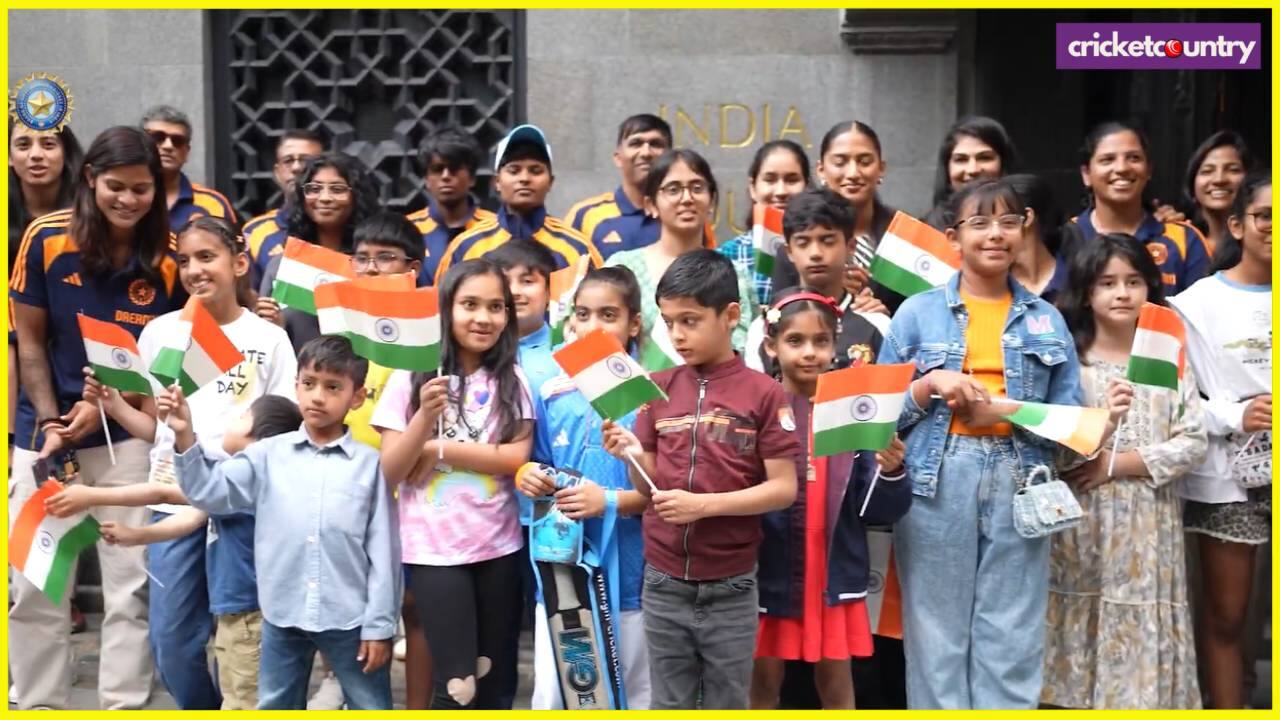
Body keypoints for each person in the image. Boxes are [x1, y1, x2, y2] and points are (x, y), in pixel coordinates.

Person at [876, 179, 1102, 709]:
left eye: (1007, 222)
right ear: (954, 238)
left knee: (1013, 634)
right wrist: (931, 385)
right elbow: (877, 411)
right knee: (936, 635)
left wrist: (1097, 421)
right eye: (979, 223)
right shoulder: (916, 313)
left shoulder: (1048, 319)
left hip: (1022, 481)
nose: (994, 234)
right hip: (937, 479)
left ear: (1025, 228)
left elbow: (1067, 421)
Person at [75, 215, 296, 709]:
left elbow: (282, 430)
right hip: (171, 495)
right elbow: (158, 430)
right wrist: (113, 405)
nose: (195, 269)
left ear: (239, 263)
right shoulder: (159, 333)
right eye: (185, 260)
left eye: (207, 257)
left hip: (242, 508)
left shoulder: (270, 339)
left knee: (241, 635)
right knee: (171, 642)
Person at [8, 125, 183, 710]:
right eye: (116, 187)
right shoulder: (44, 239)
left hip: (127, 442)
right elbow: (29, 343)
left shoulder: (168, 257)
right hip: (46, 436)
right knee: (35, 588)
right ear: (89, 180)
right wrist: (57, 419)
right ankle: (35, 704)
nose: (129, 200)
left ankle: (124, 704)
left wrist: (115, 404)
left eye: (142, 189)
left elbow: (173, 360)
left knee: (130, 586)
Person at [601, 250, 800, 709]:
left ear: (731, 315)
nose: (678, 334)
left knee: (728, 703)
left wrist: (704, 506)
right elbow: (646, 485)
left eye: (690, 320)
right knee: (668, 702)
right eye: (669, 322)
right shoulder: (657, 388)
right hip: (664, 580)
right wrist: (630, 453)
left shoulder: (764, 393)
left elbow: (783, 489)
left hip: (731, 585)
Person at [171, 335, 401, 710]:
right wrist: (184, 436)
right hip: (281, 613)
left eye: (333, 387)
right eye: (308, 384)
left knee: (370, 706)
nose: (317, 397)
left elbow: (384, 552)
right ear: (296, 386)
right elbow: (210, 492)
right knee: (276, 705)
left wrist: (379, 625)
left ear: (356, 397)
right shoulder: (266, 456)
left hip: (350, 618)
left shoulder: (368, 465)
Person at [1043, 233, 1206, 709]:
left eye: (1134, 281)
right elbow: (1057, 447)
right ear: (1086, 293)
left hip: (1148, 527)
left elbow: (1193, 440)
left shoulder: (1167, 356)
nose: (1122, 293)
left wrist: (1115, 464)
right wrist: (1102, 429)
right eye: (1107, 282)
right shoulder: (1070, 361)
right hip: (1082, 527)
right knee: (1078, 629)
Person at [71, 394, 305, 711]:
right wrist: (137, 534)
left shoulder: (248, 484)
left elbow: (167, 492)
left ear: (259, 442)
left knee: (246, 702)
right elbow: (190, 515)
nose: (232, 421)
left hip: (250, 617)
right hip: (237, 614)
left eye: (244, 416)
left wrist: (91, 495)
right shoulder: (237, 481)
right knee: (241, 697)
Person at [375, 259, 535, 709]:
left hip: (499, 548)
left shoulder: (512, 379)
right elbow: (389, 470)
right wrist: (425, 418)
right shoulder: (412, 375)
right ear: (445, 308)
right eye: (469, 305)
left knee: (496, 680)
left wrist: (435, 451)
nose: (483, 318)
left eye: (495, 307)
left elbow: (513, 457)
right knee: (457, 685)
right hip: (433, 553)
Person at [749, 288, 910, 710]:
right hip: (771, 569)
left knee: (837, 678)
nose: (809, 353)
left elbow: (875, 508)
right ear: (771, 345)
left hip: (833, 569)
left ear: (835, 345)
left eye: (821, 342)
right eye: (795, 341)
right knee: (763, 679)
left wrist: (890, 470)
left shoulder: (852, 412)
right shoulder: (758, 410)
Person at [521, 265, 652, 709]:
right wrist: (529, 476)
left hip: (633, 572)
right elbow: (537, 464)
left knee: (633, 689)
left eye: (608, 316)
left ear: (634, 323)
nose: (592, 327)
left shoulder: (652, 397)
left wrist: (607, 501)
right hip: (563, 571)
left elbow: (658, 493)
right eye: (582, 314)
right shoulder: (551, 393)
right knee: (559, 690)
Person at [1169, 172, 1272, 709]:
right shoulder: (1196, 303)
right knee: (1227, 616)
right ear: (1238, 224)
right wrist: (1236, 413)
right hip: (1229, 475)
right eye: (1264, 217)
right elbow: (1171, 398)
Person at [8, 121, 84, 626]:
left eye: (48, 143)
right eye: (23, 144)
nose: (36, 155)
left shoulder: (88, 224)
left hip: (70, 384)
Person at [606, 149, 755, 367]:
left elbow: (741, 346)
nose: (687, 199)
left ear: (712, 200)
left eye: (697, 188)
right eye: (673, 189)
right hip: (637, 398)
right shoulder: (622, 267)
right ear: (651, 204)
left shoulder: (733, 272)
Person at [434, 125, 602, 283]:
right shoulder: (465, 246)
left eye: (535, 171)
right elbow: (442, 307)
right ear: (497, 182)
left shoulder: (577, 247)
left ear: (550, 182)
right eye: (514, 171)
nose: (524, 179)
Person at [744, 188, 885, 375]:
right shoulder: (763, 329)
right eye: (803, 243)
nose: (816, 253)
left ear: (850, 247)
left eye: (827, 241)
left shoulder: (877, 324)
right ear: (789, 252)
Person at [771, 121, 901, 315]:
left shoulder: (903, 239)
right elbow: (779, 315)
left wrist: (886, 319)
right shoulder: (793, 237)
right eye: (840, 163)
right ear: (821, 170)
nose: (853, 173)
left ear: (881, 168)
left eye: (864, 162)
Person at [255, 152, 381, 352]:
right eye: (314, 189)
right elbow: (264, 343)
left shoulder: (373, 267)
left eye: (337, 189)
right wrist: (274, 327)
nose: (325, 198)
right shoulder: (281, 266)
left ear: (357, 196)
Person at [1069, 121, 1211, 296]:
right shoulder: (1065, 239)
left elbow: (1201, 316)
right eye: (1107, 160)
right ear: (1086, 174)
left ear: (1149, 169)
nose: (1122, 168)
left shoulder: (1185, 240)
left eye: (1134, 158)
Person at [715, 140, 811, 308]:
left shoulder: (823, 253)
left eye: (791, 180)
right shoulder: (727, 257)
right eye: (770, 180)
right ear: (753, 187)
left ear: (807, 186)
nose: (781, 191)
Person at [566, 114, 673, 258]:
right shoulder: (584, 215)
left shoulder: (684, 212)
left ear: (670, 158)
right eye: (636, 143)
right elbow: (567, 277)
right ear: (618, 158)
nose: (646, 152)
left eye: (655, 144)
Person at [408, 127, 497, 284]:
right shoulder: (408, 229)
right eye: (437, 169)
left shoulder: (495, 228)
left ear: (472, 178)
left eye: (454, 169)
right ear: (427, 179)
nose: (446, 176)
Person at [243, 129, 327, 286]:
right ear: (277, 172)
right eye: (288, 161)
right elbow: (248, 296)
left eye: (306, 161)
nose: (296, 168)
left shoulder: (340, 224)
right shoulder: (255, 231)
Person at [140, 105, 237, 232]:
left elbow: (232, 249)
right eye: (158, 138)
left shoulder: (213, 204)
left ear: (186, 152)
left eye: (178, 141)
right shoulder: (125, 198)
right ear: (140, 144)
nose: (168, 146)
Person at [923, 116, 1016, 229]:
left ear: (1004, 163)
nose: (973, 170)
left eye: (985, 158)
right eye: (961, 160)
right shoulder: (926, 230)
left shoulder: (1030, 223)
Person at [1181, 130, 1251, 250]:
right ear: (1192, 186)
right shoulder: (1175, 242)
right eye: (1207, 171)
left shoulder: (1263, 244)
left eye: (1233, 170)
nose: (1219, 180)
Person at [1003, 174, 1067, 300]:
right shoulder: (989, 285)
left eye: (1003, 219)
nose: (992, 232)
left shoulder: (1078, 278)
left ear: (1027, 217)